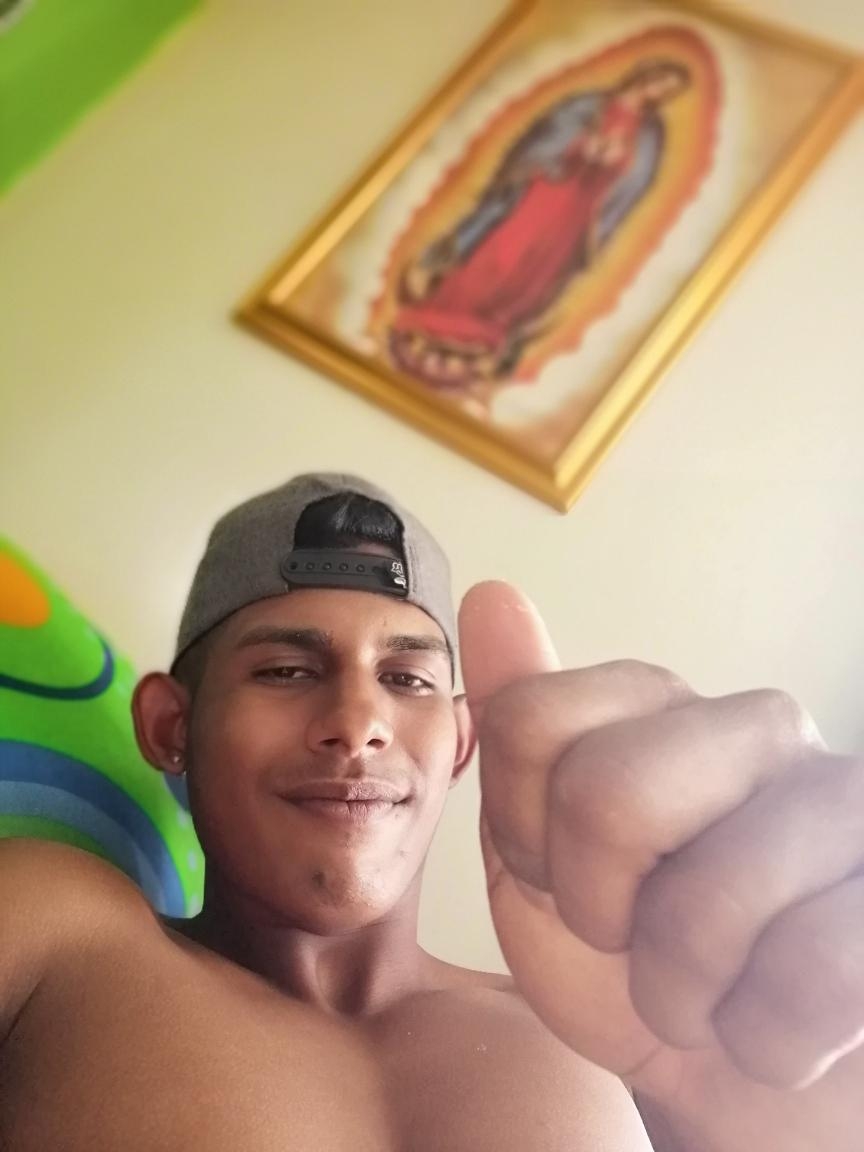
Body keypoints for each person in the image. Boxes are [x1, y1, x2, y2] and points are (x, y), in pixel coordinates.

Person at [1, 471, 861, 1152]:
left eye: (407, 679)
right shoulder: (56, 931)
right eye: (286, 671)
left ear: (458, 744)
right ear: (170, 725)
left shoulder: (633, 1042)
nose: (358, 723)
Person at [390, 60, 693, 390]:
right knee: (501, 254)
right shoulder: (586, 105)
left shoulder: (651, 133)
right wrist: (580, 148)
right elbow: (540, 142)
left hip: (580, 212)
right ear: (646, 74)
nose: (660, 91)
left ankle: (487, 333)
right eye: (662, 81)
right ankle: (446, 313)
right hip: (544, 191)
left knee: (536, 274)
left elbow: (635, 182)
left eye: (670, 91)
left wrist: (611, 163)